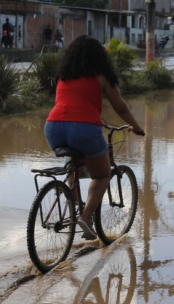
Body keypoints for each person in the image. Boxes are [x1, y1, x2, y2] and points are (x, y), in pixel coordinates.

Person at [45, 36, 145, 240]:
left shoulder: (64, 75)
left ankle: (71, 197)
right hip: (83, 129)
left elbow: (68, 104)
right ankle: (85, 217)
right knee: (101, 175)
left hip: (53, 127)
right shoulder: (101, 75)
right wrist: (137, 128)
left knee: (74, 162)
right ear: (99, 56)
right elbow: (121, 107)